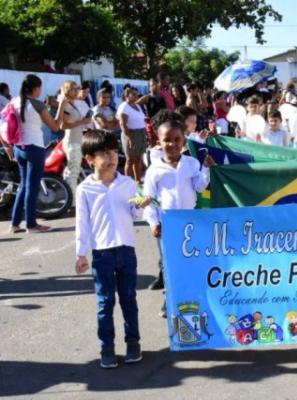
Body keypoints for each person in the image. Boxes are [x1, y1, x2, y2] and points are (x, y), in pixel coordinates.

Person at [75, 130, 143, 368]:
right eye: (105, 153)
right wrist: (81, 253)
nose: (112, 157)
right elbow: (82, 223)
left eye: (114, 152)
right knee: (105, 302)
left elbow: (135, 213)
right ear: (90, 159)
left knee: (129, 299)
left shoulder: (127, 183)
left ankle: (133, 343)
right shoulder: (85, 189)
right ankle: (107, 348)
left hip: (126, 250)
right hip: (102, 254)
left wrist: (141, 206)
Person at [142, 118, 215, 316]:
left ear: (184, 141)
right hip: (168, 223)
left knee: (190, 261)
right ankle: (170, 299)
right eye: (167, 140)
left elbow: (200, 186)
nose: (172, 144)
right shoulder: (154, 170)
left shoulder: (191, 163)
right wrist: (153, 223)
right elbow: (148, 199)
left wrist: (206, 168)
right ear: (159, 141)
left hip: (189, 221)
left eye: (177, 139)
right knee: (170, 263)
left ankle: (194, 297)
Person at [6, 74, 67, 233]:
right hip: (35, 148)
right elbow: (55, 127)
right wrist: (60, 106)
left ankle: (15, 223)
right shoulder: (38, 105)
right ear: (35, 88)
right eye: (40, 88)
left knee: (24, 186)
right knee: (32, 187)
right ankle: (31, 224)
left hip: (20, 148)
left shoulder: (14, 101)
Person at [60, 80, 93, 198]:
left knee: (73, 170)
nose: (77, 91)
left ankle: (69, 196)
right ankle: (71, 199)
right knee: (73, 172)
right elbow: (62, 125)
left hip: (76, 139)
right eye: (74, 89)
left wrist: (84, 121)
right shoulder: (65, 104)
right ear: (68, 90)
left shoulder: (73, 103)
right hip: (72, 141)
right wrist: (82, 122)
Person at [117, 87, 147, 183]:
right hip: (131, 134)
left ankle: (137, 180)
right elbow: (123, 124)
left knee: (138, 159)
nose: (136, 96)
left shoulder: (137, 106)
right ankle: (127, 182)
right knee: (130, 160)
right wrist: (130, 138)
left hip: (140, 133)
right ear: (127, 96)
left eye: (136, 94)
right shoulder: (124, 106)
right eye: (133, 94)